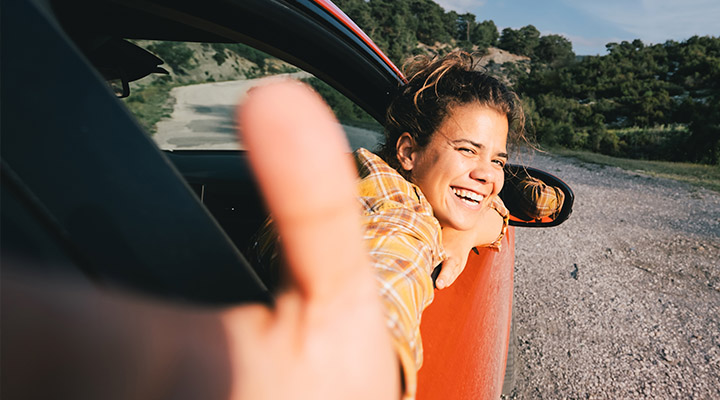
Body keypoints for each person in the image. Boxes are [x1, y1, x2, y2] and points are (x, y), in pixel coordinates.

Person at [3, 80, 399, 399]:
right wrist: (374, 357)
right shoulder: (396, 207)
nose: (466, 172)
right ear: (408, 150)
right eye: (463, 149)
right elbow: (394, 264)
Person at [248, 51, 538, 399]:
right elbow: (387, 268)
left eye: (497, 160)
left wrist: (468, 232)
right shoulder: (403, 215)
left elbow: (497, 207)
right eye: (466, 150)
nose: (486, 174)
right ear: (408, 152)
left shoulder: (349, 171)